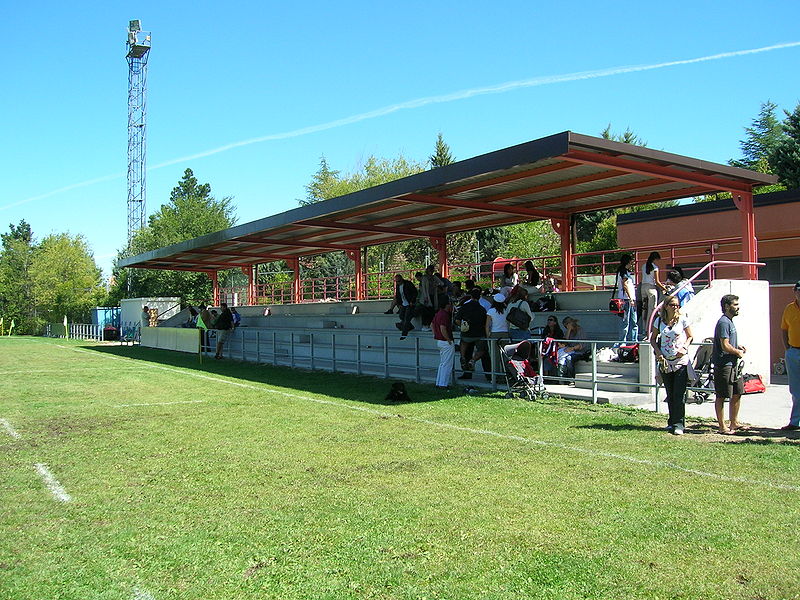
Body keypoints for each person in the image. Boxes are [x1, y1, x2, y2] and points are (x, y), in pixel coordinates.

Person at [650, 297, 694, 435]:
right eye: (672, 305)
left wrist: (684, 348)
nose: (675, 307)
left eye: (677, 305)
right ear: (666, 306)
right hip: (665, 361)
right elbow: (653, 339)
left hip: (680, 362)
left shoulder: (683, 320)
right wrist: (658, 353)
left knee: (678, 393)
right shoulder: (659, 321)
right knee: (670, 393)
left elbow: (690, 336)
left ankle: (679, 423)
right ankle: (672, 421)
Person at [713, 294, 747, 434]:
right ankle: (722, 426)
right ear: (727, 306)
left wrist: (738, 346)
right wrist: (736, 352)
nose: (738, 307)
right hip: (724, 365)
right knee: (722, 395)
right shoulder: (723, 322)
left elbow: (729, 343)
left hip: (733, 365)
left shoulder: (730, 322)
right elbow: (725, 346)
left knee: (737, 393)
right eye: (735, 304)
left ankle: (734, 422)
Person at [455, 288, 490, 381]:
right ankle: (476, 363)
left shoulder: (465, 306)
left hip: (466, 334)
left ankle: (464, 361)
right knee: (483, 351)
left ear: (471, 296)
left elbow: (457, 320)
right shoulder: (482, 309)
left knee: (466, 349)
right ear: (479, 297)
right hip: (479, 334)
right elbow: (485, 323)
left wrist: (462, 326)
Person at [780, 280, 800, 431]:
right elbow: (784, 329)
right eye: (798, 290)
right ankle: (795, 422)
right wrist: (787, 349)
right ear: (795, 292)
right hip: (793, 352)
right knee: (795, 389)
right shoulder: (789, 308)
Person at [614, 254, 638, 343]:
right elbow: (625, 285)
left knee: (632, 321)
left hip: (629, 298)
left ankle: (632, 340)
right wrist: (631, 298)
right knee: (626, 322)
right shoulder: (624, 272)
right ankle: (624, 341)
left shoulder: (624, 272)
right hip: (626, 299)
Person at [640, 251, 667, 332]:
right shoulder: (655, 268)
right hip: (651, 288)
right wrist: (664, 288)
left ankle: (644, 328)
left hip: (643, 287)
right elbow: (657, 282)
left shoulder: (644, 266)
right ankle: (649, 329)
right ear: (655, 259)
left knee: (644, 309)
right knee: (652, 310)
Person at [432, 299, 455, 389]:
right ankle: (443, 384)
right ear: (447, 305)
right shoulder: (444, 315)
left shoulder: (438, 313)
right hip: (445, 342)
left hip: (440, 341)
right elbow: (443, 328)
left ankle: (439, 382)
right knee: (447, 364)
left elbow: (432, 324)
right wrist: (448, 339)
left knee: (442, 363)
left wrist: (435, 334)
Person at [557, 317, 587, 384]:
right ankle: (562, 378)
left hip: (579, 351)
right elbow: (566, 341)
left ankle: (571, 378)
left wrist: (572, 348)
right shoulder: (568, 331)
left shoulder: (580, 330)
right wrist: (569, 330)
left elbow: (582, 344)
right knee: (562, 359)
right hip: (569, 350)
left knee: (569, 358)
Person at [392, 274, 418, 340]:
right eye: (397, 281)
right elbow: (398, 295)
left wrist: (412, 301)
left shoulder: (408, 284)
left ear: (402, 279)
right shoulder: (398, 286)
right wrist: (399, 304)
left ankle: (404, 334)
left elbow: (415, 292)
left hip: (410, 303)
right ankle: (410, 326)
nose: (398, 283)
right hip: (404, 303)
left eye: (399, 281)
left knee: (407, 318)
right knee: (401, 316)